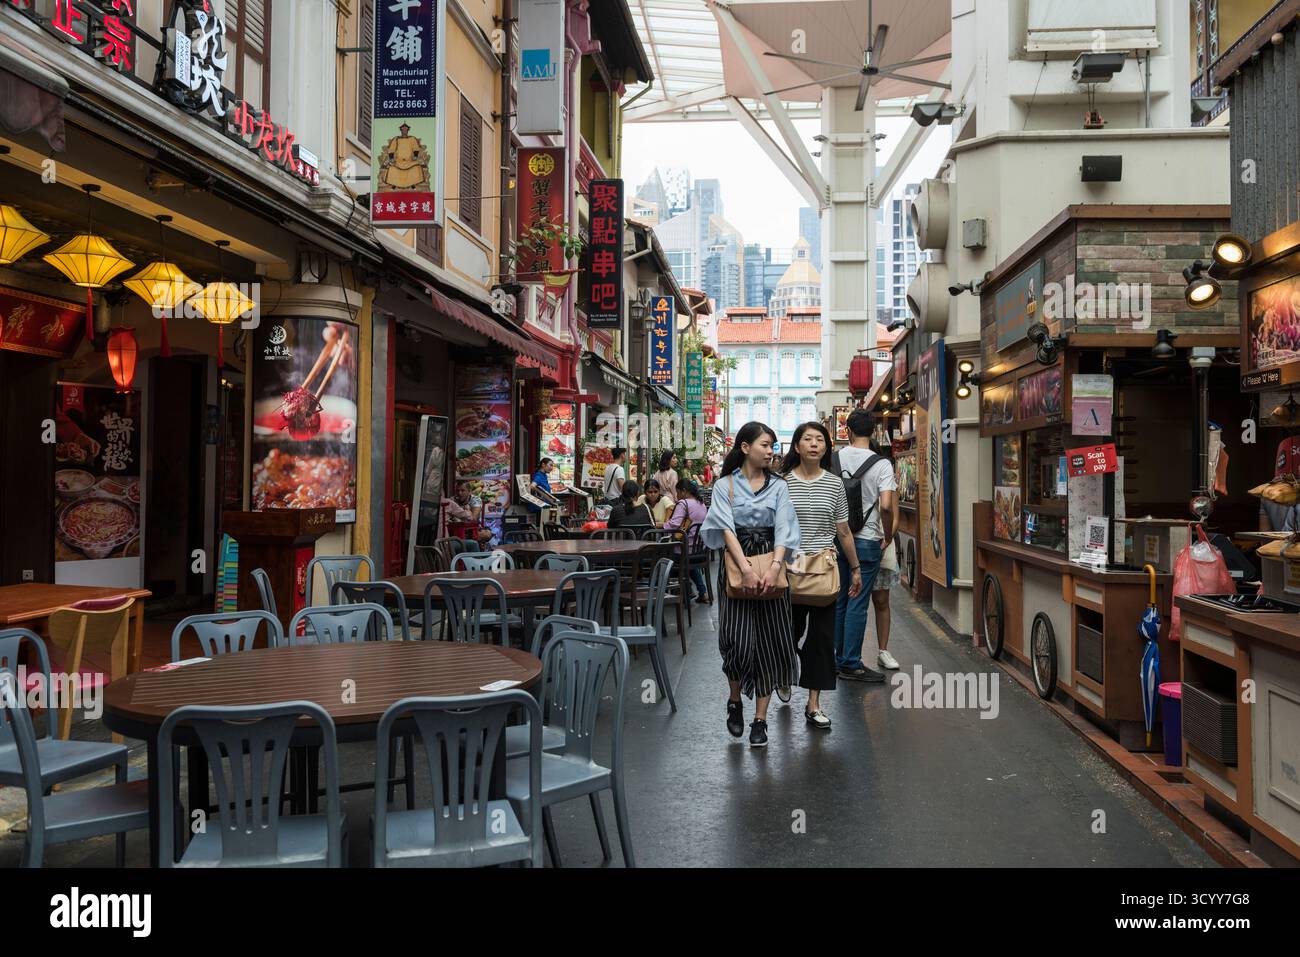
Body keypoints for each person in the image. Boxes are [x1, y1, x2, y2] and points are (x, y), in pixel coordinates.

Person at [700, 421, 800, 748]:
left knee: (771, 642)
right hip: (736, 564)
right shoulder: (725, 485)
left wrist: (774, 567)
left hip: (772, 560)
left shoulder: (780, 486)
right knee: (737, 641)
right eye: (765, 445)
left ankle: (760, 720)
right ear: (745, 448)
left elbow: (786, 528)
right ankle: (734, 701)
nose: (771, 451)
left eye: (772, 445)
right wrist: (745, 567)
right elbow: (724, 528)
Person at [779, 422, 861, 729]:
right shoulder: (782, 483)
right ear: (797, 447)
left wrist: (855, 568)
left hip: (824, 569)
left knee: (823, 639)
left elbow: (843, 530)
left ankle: (813, 704)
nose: (814, 444)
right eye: (807, 439)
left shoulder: (835, 484)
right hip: (790, 568)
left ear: (826, 447)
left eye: (819, 439)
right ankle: (785, 672)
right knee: (789, 632)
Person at [832, 409, 896, 682]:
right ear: (874, 432)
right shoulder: (882, 464)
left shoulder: (833, 459)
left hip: (838, 538)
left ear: (848, 431)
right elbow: (885, 504)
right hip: (868, 540)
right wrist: (888, 533)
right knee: (858, 601)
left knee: (840, 601)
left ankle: (836, 657)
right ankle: (851, 662)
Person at [869, 439, 902, 671]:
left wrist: (886, 537)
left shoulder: (887, 478)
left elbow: (893, 513)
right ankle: (847, 652)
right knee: (855, 605)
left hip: (882, 544)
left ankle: (883, 650)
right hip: (857, 546)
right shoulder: (847, 477)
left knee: (882, 601)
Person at [664, 478, 710, 603]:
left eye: (677, 492)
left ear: (683, 491)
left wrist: (661, 525)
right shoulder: (701, 504)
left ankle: (683, 590)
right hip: (700, 550)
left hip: (684, 550)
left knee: (663, 559)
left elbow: (674, 524)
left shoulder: (683, 504)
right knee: (689, 565)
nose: (677, 496)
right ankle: (701, 591)